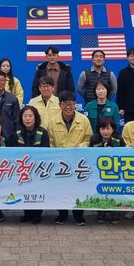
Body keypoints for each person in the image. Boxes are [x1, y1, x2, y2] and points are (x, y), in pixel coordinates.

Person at [47, 91, 92, 226]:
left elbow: (89, 138)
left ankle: (79, 216)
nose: (69, 107)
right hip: (60, 161)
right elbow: (50, 140)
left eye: (71, 104)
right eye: (66, 104)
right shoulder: (53, 121)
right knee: (61, 189)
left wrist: (81, 147)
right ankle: (62, 214)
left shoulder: (83, 120)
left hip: (78, 161)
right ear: (60, 105)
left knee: (79, 189)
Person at [10, 105, 50, 224]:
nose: (28, 119)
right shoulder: (17, 133)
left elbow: (46, 151)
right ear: (21, 118)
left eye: (30, 116)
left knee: (37, 191)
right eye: (25, 116)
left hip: (38, 169)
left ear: (35, 117)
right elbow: (13, 151)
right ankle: (27, 213)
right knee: (24, 191)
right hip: (22, 169)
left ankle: (37, 214)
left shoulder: (42, 132)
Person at [90, 118, 125, 224]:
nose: (106, 132)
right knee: (100, 191)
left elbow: (125, 155)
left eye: (108, 128)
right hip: (99, 172)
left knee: (115, 191)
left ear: (113, 129)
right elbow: (90, 155)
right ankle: (101, 212)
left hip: (116, 172)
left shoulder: (118, 139)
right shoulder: (94, 140)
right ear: (99, 129)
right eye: (103, 129)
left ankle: (115, 213)